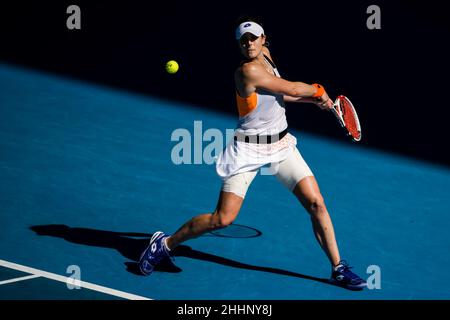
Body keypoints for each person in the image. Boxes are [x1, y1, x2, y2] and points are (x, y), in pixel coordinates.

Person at [139, 17, 366, 290]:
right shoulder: (246, 72)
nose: (249, 44)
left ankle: (338, 268)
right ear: (239, 44)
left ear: (263, 40)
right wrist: (318, 90)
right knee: (223, 219)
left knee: (316, 203)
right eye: (243, 40)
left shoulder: (267, 58)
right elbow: (293, 87)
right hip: (247, 150)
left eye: (253, 38)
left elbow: (283, 95)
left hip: (281, 146)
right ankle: (164, 243)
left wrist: (315, 101)